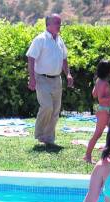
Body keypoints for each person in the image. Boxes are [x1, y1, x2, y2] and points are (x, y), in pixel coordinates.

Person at [27, 14, 74, 146]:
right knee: (47, 107)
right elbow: (31, 58)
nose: (59, 25)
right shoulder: (40, 39)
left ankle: (49, 138)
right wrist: (31, 78)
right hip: (41, 78)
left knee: (55, 110)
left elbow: (64, 58)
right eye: (57, 23)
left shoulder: (60, 40)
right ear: (48, 24)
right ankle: (40, 134)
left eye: (60, 23)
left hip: (57, 79)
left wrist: (68, 74)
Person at [84, 59, 110, 163]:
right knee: (97, 134)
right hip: (104, 111)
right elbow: (100, 99)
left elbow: (94, 94)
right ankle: (87, 156)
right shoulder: (104, 83)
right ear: (108, 70)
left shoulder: (99, 81)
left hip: (104, 110)